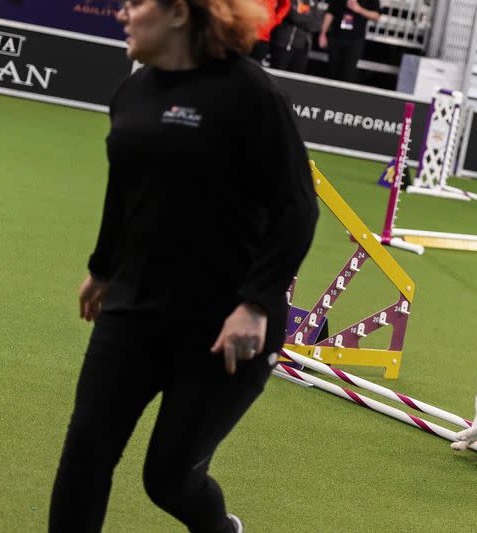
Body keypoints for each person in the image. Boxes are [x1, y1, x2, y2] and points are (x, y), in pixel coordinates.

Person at [49, 1, 319, 532]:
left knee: (169, 477)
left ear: (178, 12)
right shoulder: (132, 93)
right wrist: (102, 269)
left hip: (226, 325)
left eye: (134, 4)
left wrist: (256, 303)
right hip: (134, 307)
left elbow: (297, 207)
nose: (122, 14)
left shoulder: (252, 95)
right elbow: (123, 193)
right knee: (86, 452)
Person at [318, 0, 381, 82]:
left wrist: (359, 9)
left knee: (348, 75)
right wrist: (322, 34)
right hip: (336, 37)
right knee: (333, 73)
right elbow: (330, 12)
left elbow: (376, 16)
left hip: (355, 40)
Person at [270, 0, 326, 73]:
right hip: (284, 44)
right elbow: (295, 17)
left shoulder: (315, 2)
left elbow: (316, 25)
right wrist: (309, 18)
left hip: (303, 48)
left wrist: (305, 17)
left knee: (295, 79)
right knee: (277, 75)